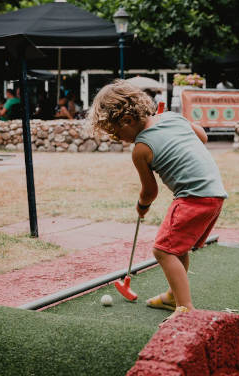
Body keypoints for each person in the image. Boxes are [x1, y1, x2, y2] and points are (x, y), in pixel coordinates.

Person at [87, 80, 227, 320]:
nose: (119, 139)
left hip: (193, 197)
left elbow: (150, 191)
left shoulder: (141, 148)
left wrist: (142, 206)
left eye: (116, 133)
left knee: (162, 250)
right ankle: (174, 295)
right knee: (177, 248)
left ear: (127, 121)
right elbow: (202, 136)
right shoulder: (172, 118)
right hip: (214, 194)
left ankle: (185, 308)